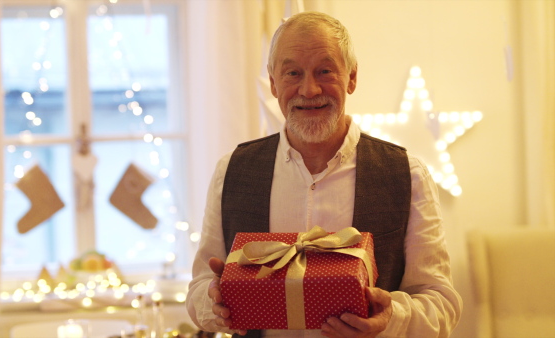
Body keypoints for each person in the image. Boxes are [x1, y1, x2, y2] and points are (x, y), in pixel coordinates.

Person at [186, 11, 462, 338]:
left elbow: (442, 302)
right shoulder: (232, 170)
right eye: (292, 73)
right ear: (274, 83)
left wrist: (391, 318)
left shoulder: (407, 175)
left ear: (352, 78)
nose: (310, 89)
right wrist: (213, 303)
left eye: (325, 71)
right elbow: (200, 286)